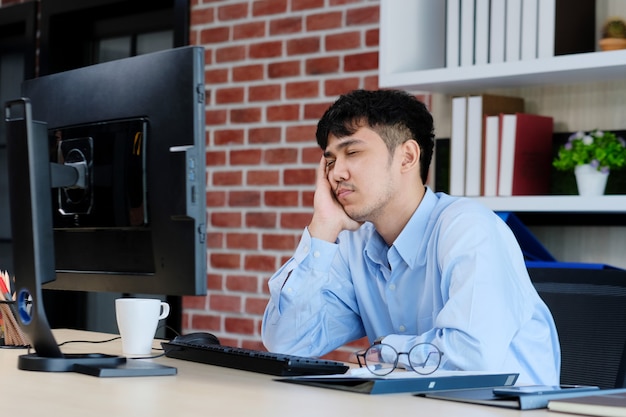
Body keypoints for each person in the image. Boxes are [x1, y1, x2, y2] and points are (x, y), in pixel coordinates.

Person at [261, 89, 560, 385]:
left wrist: (385, 351)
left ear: (407, 157)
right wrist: (323, 228)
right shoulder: (356, 245)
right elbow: (288, 343)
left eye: (352, 152)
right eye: (330, 161)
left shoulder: (468, 228)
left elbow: (472, 358)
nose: (337, 172)